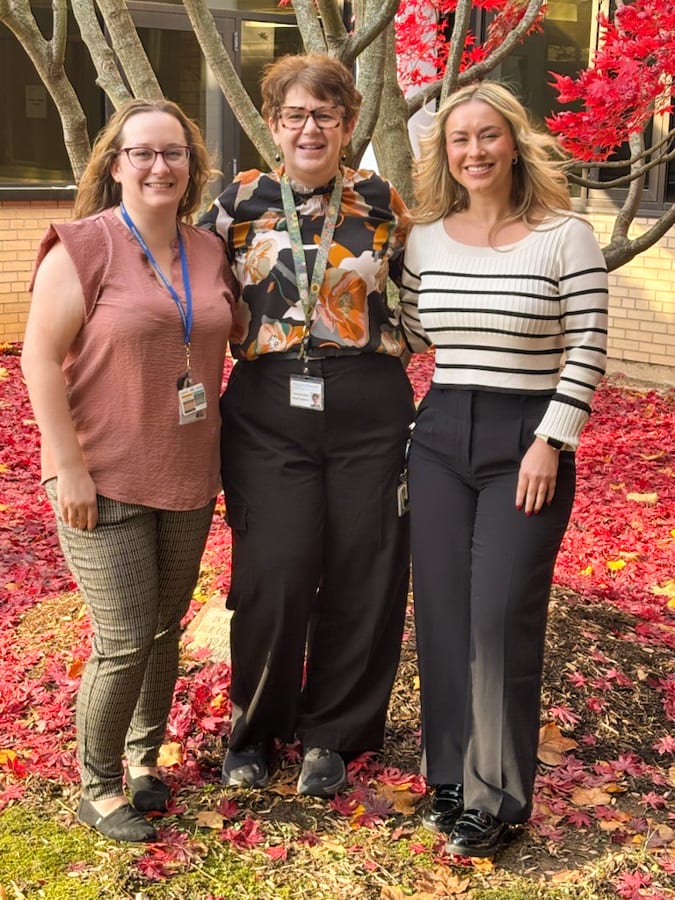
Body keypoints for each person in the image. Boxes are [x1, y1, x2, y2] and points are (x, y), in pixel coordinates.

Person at [199, 53, 426, 797]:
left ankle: (334, 733)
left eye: (324, 115)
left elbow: (424, 298)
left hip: (367, 406)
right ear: (271, 124)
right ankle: (256, 727)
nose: (308, 128)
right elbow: (189, 291)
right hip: (268, 409)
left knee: (364, 570)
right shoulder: (237, 202)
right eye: (294, 115)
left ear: (348, 124)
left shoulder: (383, 201)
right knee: (275, 571)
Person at [399, 82, 608, 857]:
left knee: (498, 617)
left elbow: (586, 346)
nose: (474, 151)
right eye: (459, 140)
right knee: (445, 613)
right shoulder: (425, 239)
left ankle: (497, 797)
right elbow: (416, 330)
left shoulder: (565, 235)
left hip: (527, 437)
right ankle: (448, 776)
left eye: (488, 135)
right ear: (443, 153)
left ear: (513, 142)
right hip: (442, 428)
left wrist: (551, 440)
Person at [21, 99, 234, 842]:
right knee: (122, 637)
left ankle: (144, 761)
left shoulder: (208, 251)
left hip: (185, 473)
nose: (158, 166)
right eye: (142, 153)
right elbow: (38, 358)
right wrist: (67, 465)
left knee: (165, 629)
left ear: (191, 166)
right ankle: (98, 783)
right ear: (115, 165)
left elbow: (231, 335)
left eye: (172, 153)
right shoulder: (81, 247)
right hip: (100, 476)